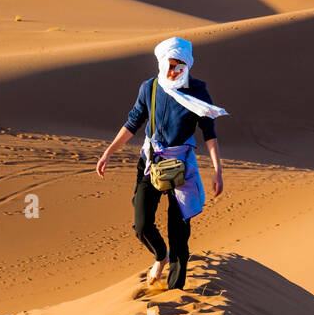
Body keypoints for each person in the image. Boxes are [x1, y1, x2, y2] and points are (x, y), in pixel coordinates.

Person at [95, 37, 227, 290]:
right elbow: (133, 122)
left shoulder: (197, 91)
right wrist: (108, 152)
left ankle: (175, 292)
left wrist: (217, 171)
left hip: (182, 166)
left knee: (179, 233)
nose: (173, 70)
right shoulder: (151, 88)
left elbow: (209, 133)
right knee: (142, 224)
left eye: (179, 66)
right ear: (161, 62)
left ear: (187, 66)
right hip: (151, 162)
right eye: (169, 64)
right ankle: (160, 256)